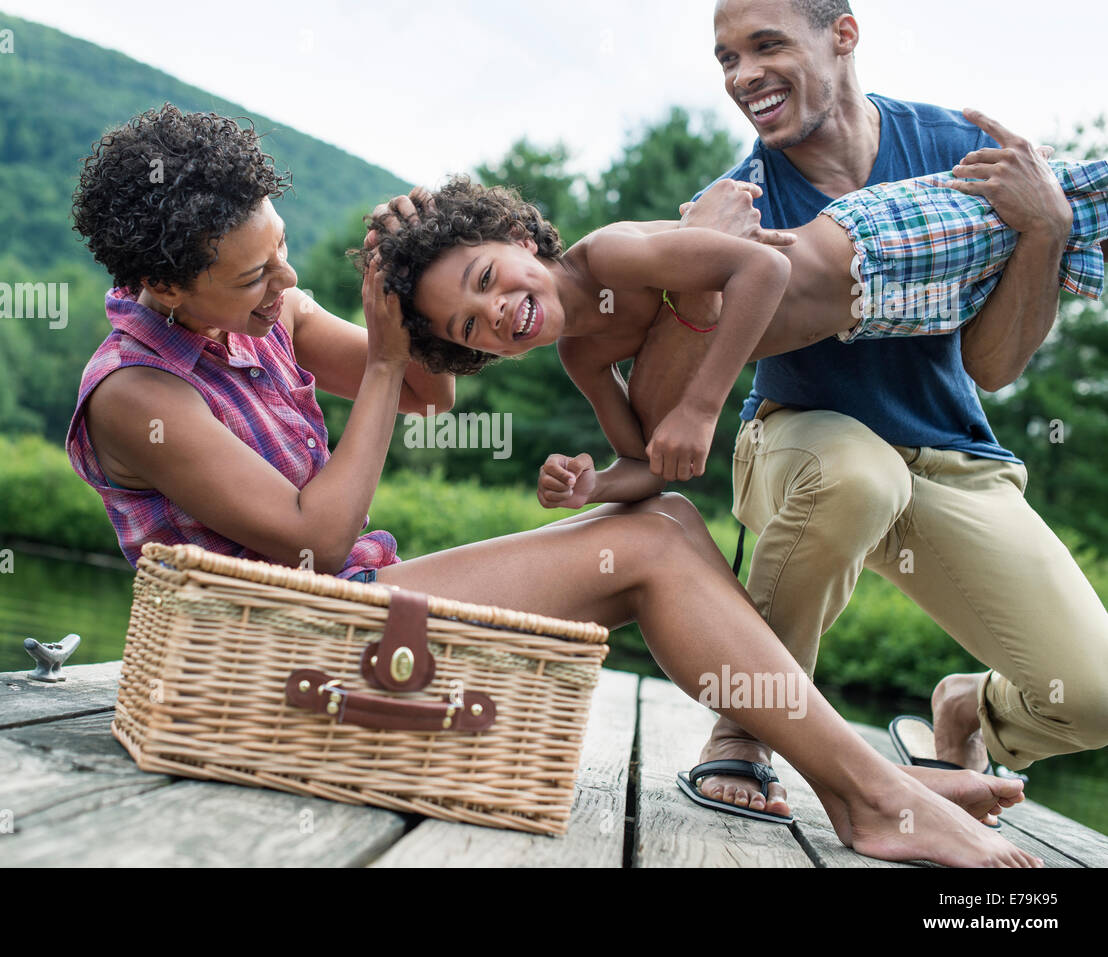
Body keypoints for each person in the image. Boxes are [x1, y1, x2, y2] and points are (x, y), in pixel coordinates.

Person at [64, 104, 1036, 865]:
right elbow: (312, 540)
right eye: (252, 277)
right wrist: (393, 363)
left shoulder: (262, 311)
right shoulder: (136, 395)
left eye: (278, 252)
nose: (282, 285)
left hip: (340, 612)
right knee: (651, 539)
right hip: (273, 657)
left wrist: (396, 276)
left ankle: (864, 777)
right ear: (163, 290)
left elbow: (434, 391)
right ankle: (871, 794)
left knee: (656, 519)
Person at [658, 0, 1108, 823]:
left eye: (765, 45)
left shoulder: (953, 153)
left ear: (843, 33)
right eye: (726, 58)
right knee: (856, 476)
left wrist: (1045, 235)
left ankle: (967, 708)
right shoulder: (735, 204)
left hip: (950, 461)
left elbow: (992, 365)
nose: (743, 75)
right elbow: (665, 371)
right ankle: (745, 728)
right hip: (802, 445)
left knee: (1093, 696)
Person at [360, 163, 1105, 481]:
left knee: (1072, 202)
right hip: (886, 317)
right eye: (469, 327)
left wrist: (701, 406)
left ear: (523, 241)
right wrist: (589, 485)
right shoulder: (583, 359)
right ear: (479, 354)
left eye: (486, 279)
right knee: (1073, 260)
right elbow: (645, 458)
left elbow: (765, 268)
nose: (494, 311)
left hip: (873, 245)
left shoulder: (614, 256)